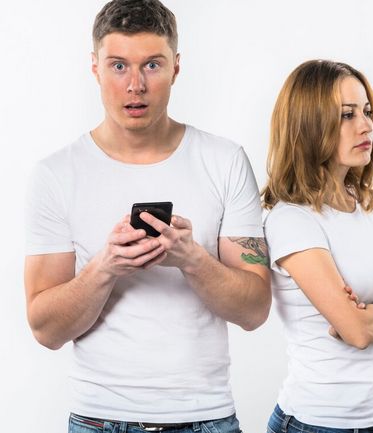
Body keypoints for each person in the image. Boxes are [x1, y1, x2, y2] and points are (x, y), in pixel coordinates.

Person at [23, 1, 270, 431]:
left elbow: (255, 310)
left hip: (206, 417)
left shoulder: (225, 161)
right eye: (118, 66)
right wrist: (105, 267)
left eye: (152, 65)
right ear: (95, 67)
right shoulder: (56, 174)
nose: (135, 85)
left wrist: (192, 260)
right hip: (99, 418)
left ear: (176, 68)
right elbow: (46, 330)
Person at [262, 60, 373, 433]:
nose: (366, 125)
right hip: (312, 423)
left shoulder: (370, 205)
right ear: (309, 126)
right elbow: (357, 333)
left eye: (367, 112)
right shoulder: (292, 220)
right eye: (347, 115)